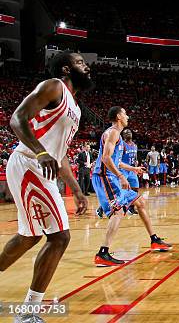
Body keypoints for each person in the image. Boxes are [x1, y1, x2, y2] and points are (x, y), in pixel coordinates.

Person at [0, 52, 89, 323]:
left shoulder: (75, 106)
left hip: (41, 166)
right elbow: (17, 119)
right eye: (79, 62)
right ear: (65, 68)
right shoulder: (53, 86)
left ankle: (29, 310)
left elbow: (59, 153)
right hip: (28, 162)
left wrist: (75, 188)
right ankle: (28, 312)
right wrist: (40, 152)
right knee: (59, 237)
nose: (86, 65)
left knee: (30, 237)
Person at [92, 107, 172, 267]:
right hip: (105, 177)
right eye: (125, 113)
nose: (127, 116)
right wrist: (121, 176)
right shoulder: (113, 132)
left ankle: (154, 240)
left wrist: (132, 169)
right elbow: (106, 159)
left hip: (112, 176)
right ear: (118, 116)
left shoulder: (118, 137)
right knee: (119, 211)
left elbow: (116, 161)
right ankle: (103, 253)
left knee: (140, 203)